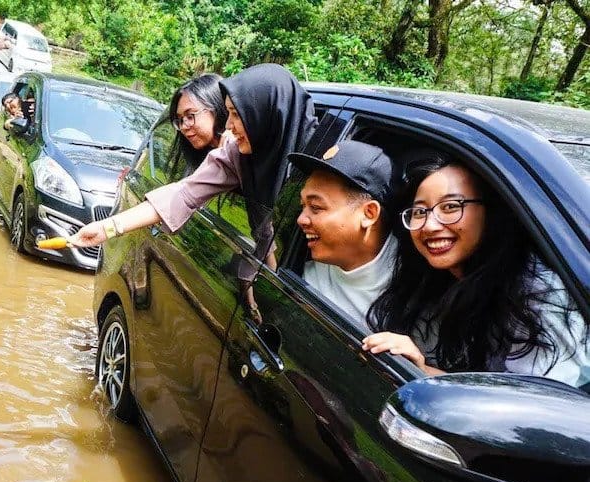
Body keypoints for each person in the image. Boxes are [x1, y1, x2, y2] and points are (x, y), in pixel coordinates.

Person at [363, 154, 589, 386]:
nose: (429, 226)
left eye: (451, 206)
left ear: (491, 212)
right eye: (420, 212)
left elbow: (531, 403)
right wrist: (420, 368)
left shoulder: (538, 293)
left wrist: (424, 372)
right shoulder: (435, 278)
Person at [68, 64, 317, 254]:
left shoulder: (323, 157)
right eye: (228, 114)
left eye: (236, 115)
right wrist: (105, 228)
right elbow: (183, 194)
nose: (228, 125)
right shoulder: (235, 153)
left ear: (266, 114)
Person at [287, 140, 399, 328]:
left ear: (369, 214)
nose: (300, 220)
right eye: (302, 206)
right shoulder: (302, 262)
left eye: (315, 207)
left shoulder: (410, 295)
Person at [168, 73, 228, 174]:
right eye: (180, 120)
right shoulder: (198, 164)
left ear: (216, 108)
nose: (183, 127)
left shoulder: (243, 149)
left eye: (190, 116)